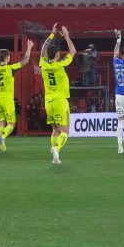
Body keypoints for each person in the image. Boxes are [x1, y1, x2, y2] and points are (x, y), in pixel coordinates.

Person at [0, 39, 34, 152]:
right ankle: (2, 137)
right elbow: (25, 60)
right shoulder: (10, 68)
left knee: (2, 122)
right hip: (7, 100)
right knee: (12, 123)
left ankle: (2, 145)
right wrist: (29, 47)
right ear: (7, 58)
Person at [40, 24, 75, 165]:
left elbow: (43, 49)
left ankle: (55, 155)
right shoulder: (61, 65)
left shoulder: (43, 64)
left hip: (48, 102)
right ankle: (57, 149)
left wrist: (52, 34)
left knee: (54, 129)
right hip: (60, 101)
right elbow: (73, 51)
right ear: (58, 55)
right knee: (65, 131)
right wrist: (66, 36)